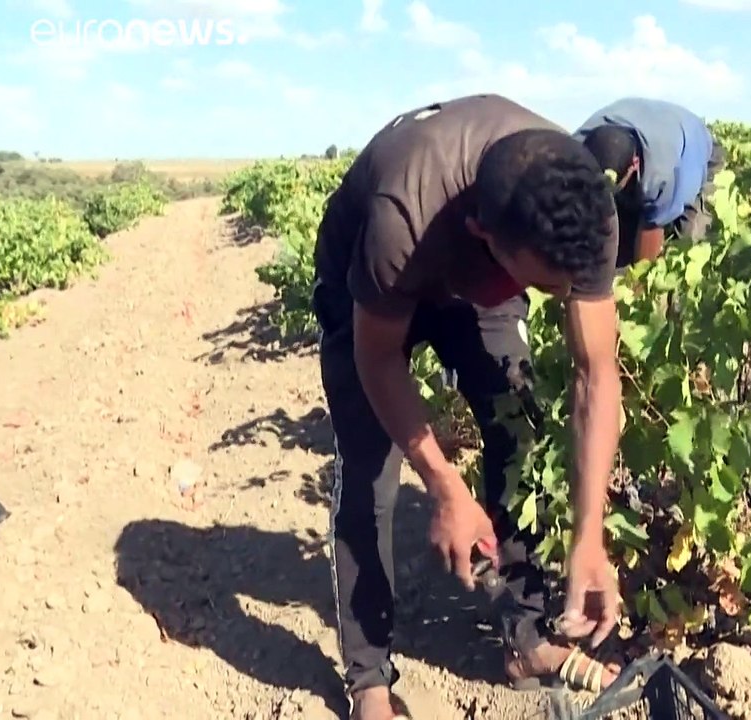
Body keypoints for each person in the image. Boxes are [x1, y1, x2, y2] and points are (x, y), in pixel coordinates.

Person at [310, 94, 626, 720]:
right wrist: (445, 485)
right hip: (371, 288)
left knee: (520, 422)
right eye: (546, 285)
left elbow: (596, 371)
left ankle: (529, 640)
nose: (562, 296)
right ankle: (370, 679)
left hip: (476, 287)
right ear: (485, 235)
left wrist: (589, 535)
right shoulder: (403, 212)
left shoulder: (584, 208)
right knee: (371, 474)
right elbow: (379, 361)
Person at [573, 97, 727, 267]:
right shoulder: (576, 146)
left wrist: (637, 287)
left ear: (635, 164)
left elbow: (647, 250)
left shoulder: (662, 173)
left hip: (697, 149)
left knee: (687, 242)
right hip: (650, 124)